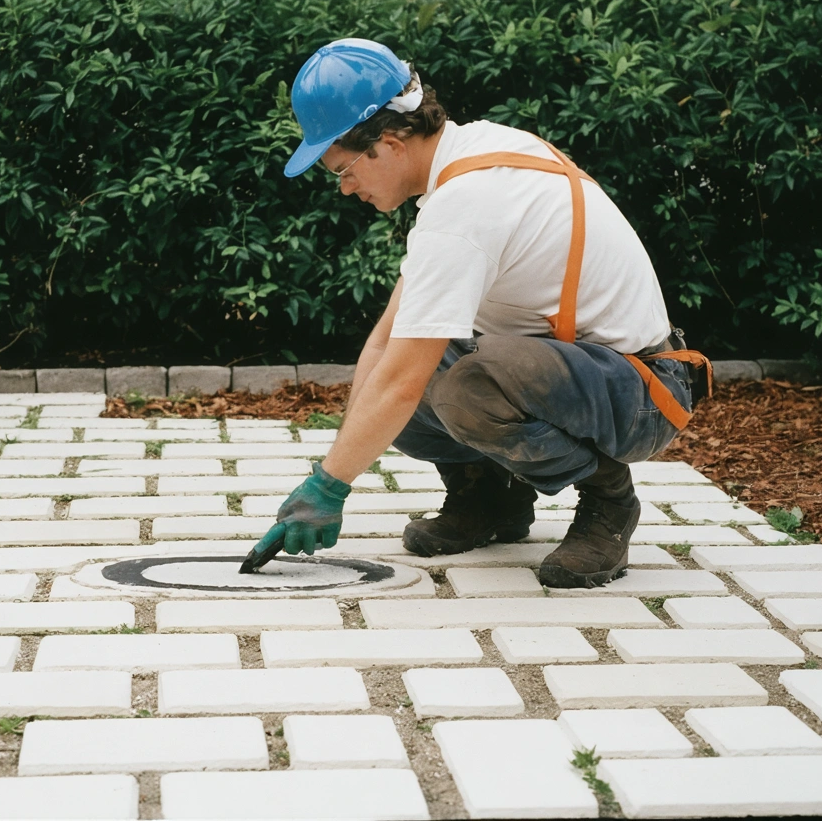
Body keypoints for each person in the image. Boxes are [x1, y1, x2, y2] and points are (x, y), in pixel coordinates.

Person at [244, 38, 711, 588]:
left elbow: (398, 381)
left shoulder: (464, 204)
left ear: (389, 142)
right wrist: (331, 467)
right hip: (594, 379)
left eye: (341, 168)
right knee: (409, 386)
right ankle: (491, 500)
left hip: (643, 392)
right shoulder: (465, 166)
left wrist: (331, 487)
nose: (344, 188)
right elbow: (386, 346)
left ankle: (610, 503)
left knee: (465, 386)